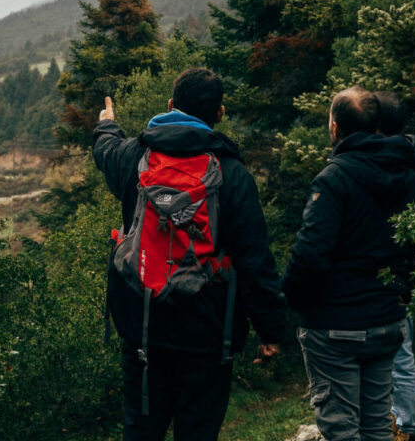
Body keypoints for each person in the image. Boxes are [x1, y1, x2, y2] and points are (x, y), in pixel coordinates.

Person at [92, 68, 286, 441]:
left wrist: (107, 124)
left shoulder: (135, 157)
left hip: (143, 329)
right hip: (208, 335)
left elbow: (106, 151)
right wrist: (271, 330)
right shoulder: (232, 174)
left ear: (169, 106)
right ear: (220, 113)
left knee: (140, 431)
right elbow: (254, 259)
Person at [282, 86, 415, 441]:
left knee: (341, 429)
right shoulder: (410, 178)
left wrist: (297, 303)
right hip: (386, 320)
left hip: (335, 324)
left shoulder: (335, 179)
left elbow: (310, 253)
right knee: (377, 426)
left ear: (335, 128)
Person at [374, 91, 415, 441]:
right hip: (406, 271)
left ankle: (406, 424)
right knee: (402, 352)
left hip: (383, 272)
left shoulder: (386, 169)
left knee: (395, 355)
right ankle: (409, 422)